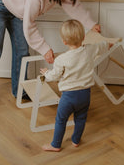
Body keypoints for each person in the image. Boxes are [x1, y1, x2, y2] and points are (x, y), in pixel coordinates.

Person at [0, 0, 100, 121]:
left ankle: (19, 91)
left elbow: (73, 5)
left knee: (22, 53)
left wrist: (91, 24)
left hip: (19, 12)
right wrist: (45, 49)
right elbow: (29, 25)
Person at [40, 19, 109, 152]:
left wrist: (46, 73)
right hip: (85, 94)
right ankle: (76, 140)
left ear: (64, 41)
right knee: (81, 118)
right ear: (83, 37)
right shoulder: (90, 50)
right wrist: (110, 43)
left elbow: (54, 76)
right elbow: (104, 46)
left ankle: (56, 144)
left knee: (61, 120)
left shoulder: (61, 59)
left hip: (68, 97)